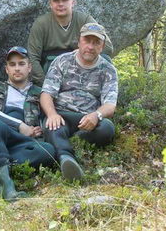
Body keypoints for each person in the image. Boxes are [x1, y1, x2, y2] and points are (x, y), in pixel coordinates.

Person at [0, 46, 56, 201]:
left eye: (21, 63)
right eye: (12, 65)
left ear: (29, 67)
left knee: (47, 150)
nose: (17, 68)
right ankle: (7, 189)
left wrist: (38, 130)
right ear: (6, 69)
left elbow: (49, 116)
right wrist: (20, 126)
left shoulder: (39, 93)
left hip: (20, 142)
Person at [40, 23, 118, 181]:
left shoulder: (108, 69)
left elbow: (110, 105)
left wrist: (96, 115)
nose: (90, 46)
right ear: (79, 41)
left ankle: (67, 143)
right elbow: (46, 94)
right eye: (87, 40)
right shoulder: (62, 61)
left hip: (87, 118)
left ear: (102, 46)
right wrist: (52, 114)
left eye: (96, 42)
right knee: (52, 125)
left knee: (107, 128)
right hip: (62, 115)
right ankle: (67, 159)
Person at [27, 0, 114, 85]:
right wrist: (45, 84)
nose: (60, 4)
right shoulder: (41, 23)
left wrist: (80, 53)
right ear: (50, 4)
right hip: (52, 69)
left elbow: (107, 47)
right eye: (56, 0)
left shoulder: (85, 20)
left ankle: (105, 95)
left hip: (81, 66)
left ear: (73, 2)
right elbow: (32, 58)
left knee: (105, 59)